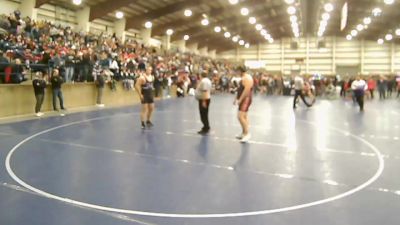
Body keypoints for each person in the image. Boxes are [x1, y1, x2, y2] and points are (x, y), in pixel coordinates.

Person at [234, 66, 254, 143]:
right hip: (244, 99)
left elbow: (246, 90)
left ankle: (247, 134)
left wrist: (240, 99)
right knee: (244, 116)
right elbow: (240, 89)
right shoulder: (243, 77)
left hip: (246, 99)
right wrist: (236, 98)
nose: (236, 73)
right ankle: (244, 133)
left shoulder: (247, 78)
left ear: (240, 71)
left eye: (237, 71)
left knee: (240, 117)